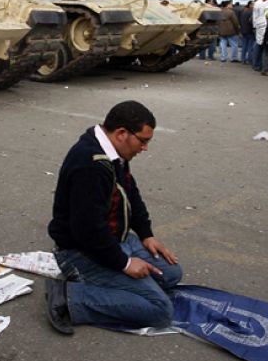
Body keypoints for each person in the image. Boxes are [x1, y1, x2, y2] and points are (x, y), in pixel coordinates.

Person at [45, 101, 182, 334]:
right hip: (81, 251)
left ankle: (117, 284)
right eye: (143, 140)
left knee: (171, 274)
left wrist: (146, 235)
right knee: (160, 310)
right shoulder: (90, 165)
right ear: (121, 133)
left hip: (115, 238)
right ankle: (69, 297)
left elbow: (131, 193)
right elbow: (87, 231)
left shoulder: (113, 152)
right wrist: (125, 263)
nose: (145, 148)